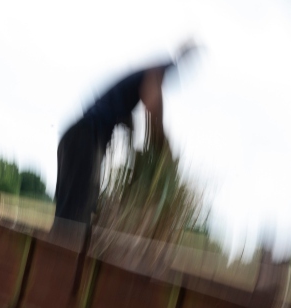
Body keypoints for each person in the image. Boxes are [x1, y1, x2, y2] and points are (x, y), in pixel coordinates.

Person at [53, 41, 197, 235]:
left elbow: (129, 117)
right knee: (73, 219)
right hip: (84, 138)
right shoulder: (159, 68)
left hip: (76, 139)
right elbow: (153, 106)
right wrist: (164, 151)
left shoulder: (129, 87)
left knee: (72, 215)